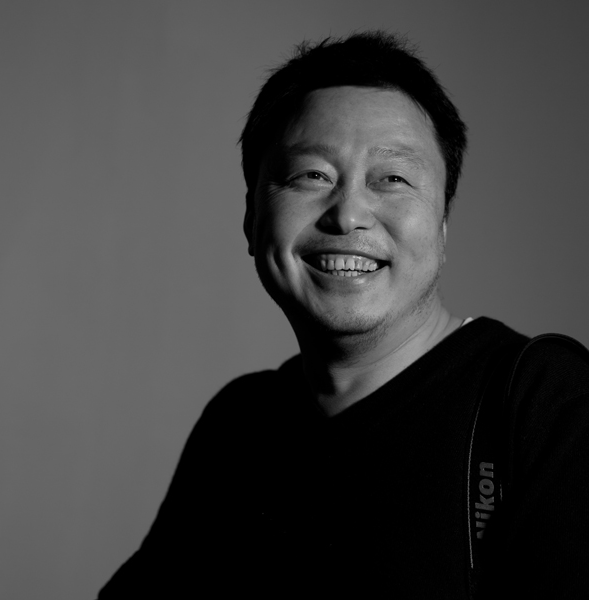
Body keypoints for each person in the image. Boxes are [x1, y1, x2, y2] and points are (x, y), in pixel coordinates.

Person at [98, 31, 589, 598]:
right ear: (252, 218)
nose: (348, 214)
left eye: (393, 179)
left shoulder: (544, 403)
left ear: (441, 228)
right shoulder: (239, 424)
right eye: (312, 175)